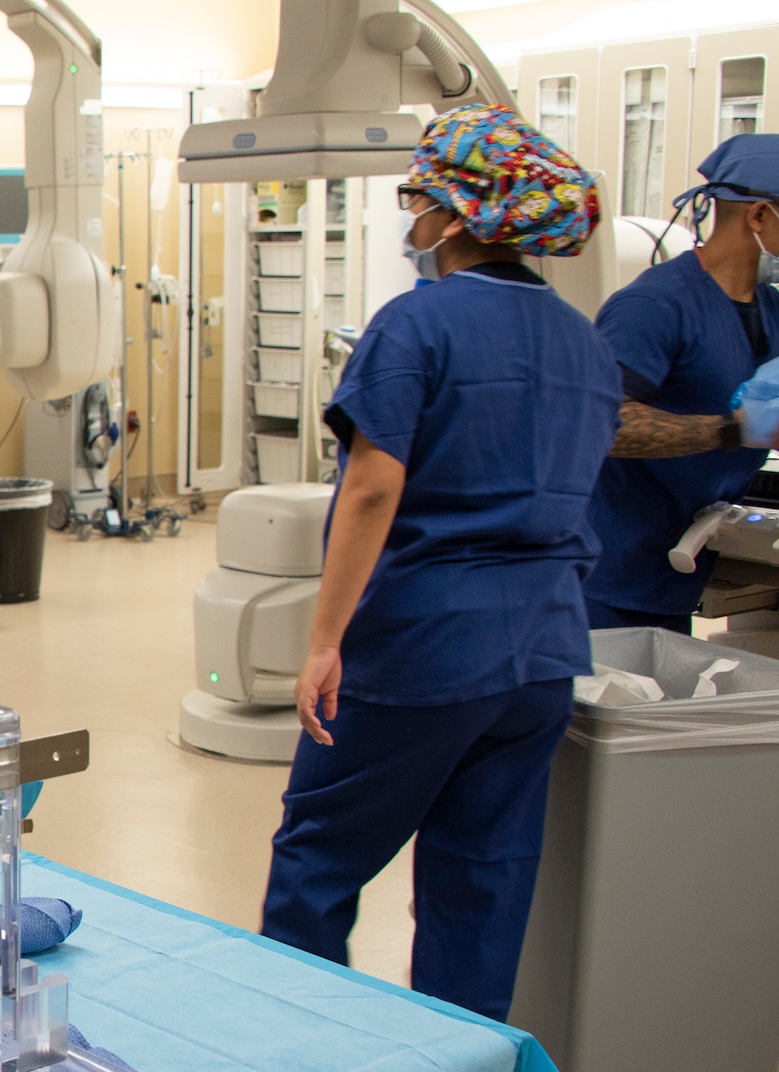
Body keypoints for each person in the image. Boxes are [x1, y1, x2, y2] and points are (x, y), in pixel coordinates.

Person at [260, 105, 622, 1022]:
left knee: (318, 862)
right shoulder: (585, 341)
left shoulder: (417, 324)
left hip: (425, 646)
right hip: (542, 654)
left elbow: (373, 490)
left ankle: (289, 1065)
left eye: (416, 198)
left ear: (458, 214)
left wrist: (324, 640)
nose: (409, 217)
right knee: (480, 886)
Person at [584, 134, 779, 633]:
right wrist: (733, 430)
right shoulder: (656, 305)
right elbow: (606, 424)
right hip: (606, 575)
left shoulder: (769, 308)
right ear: (758, 216)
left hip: (676, 571)